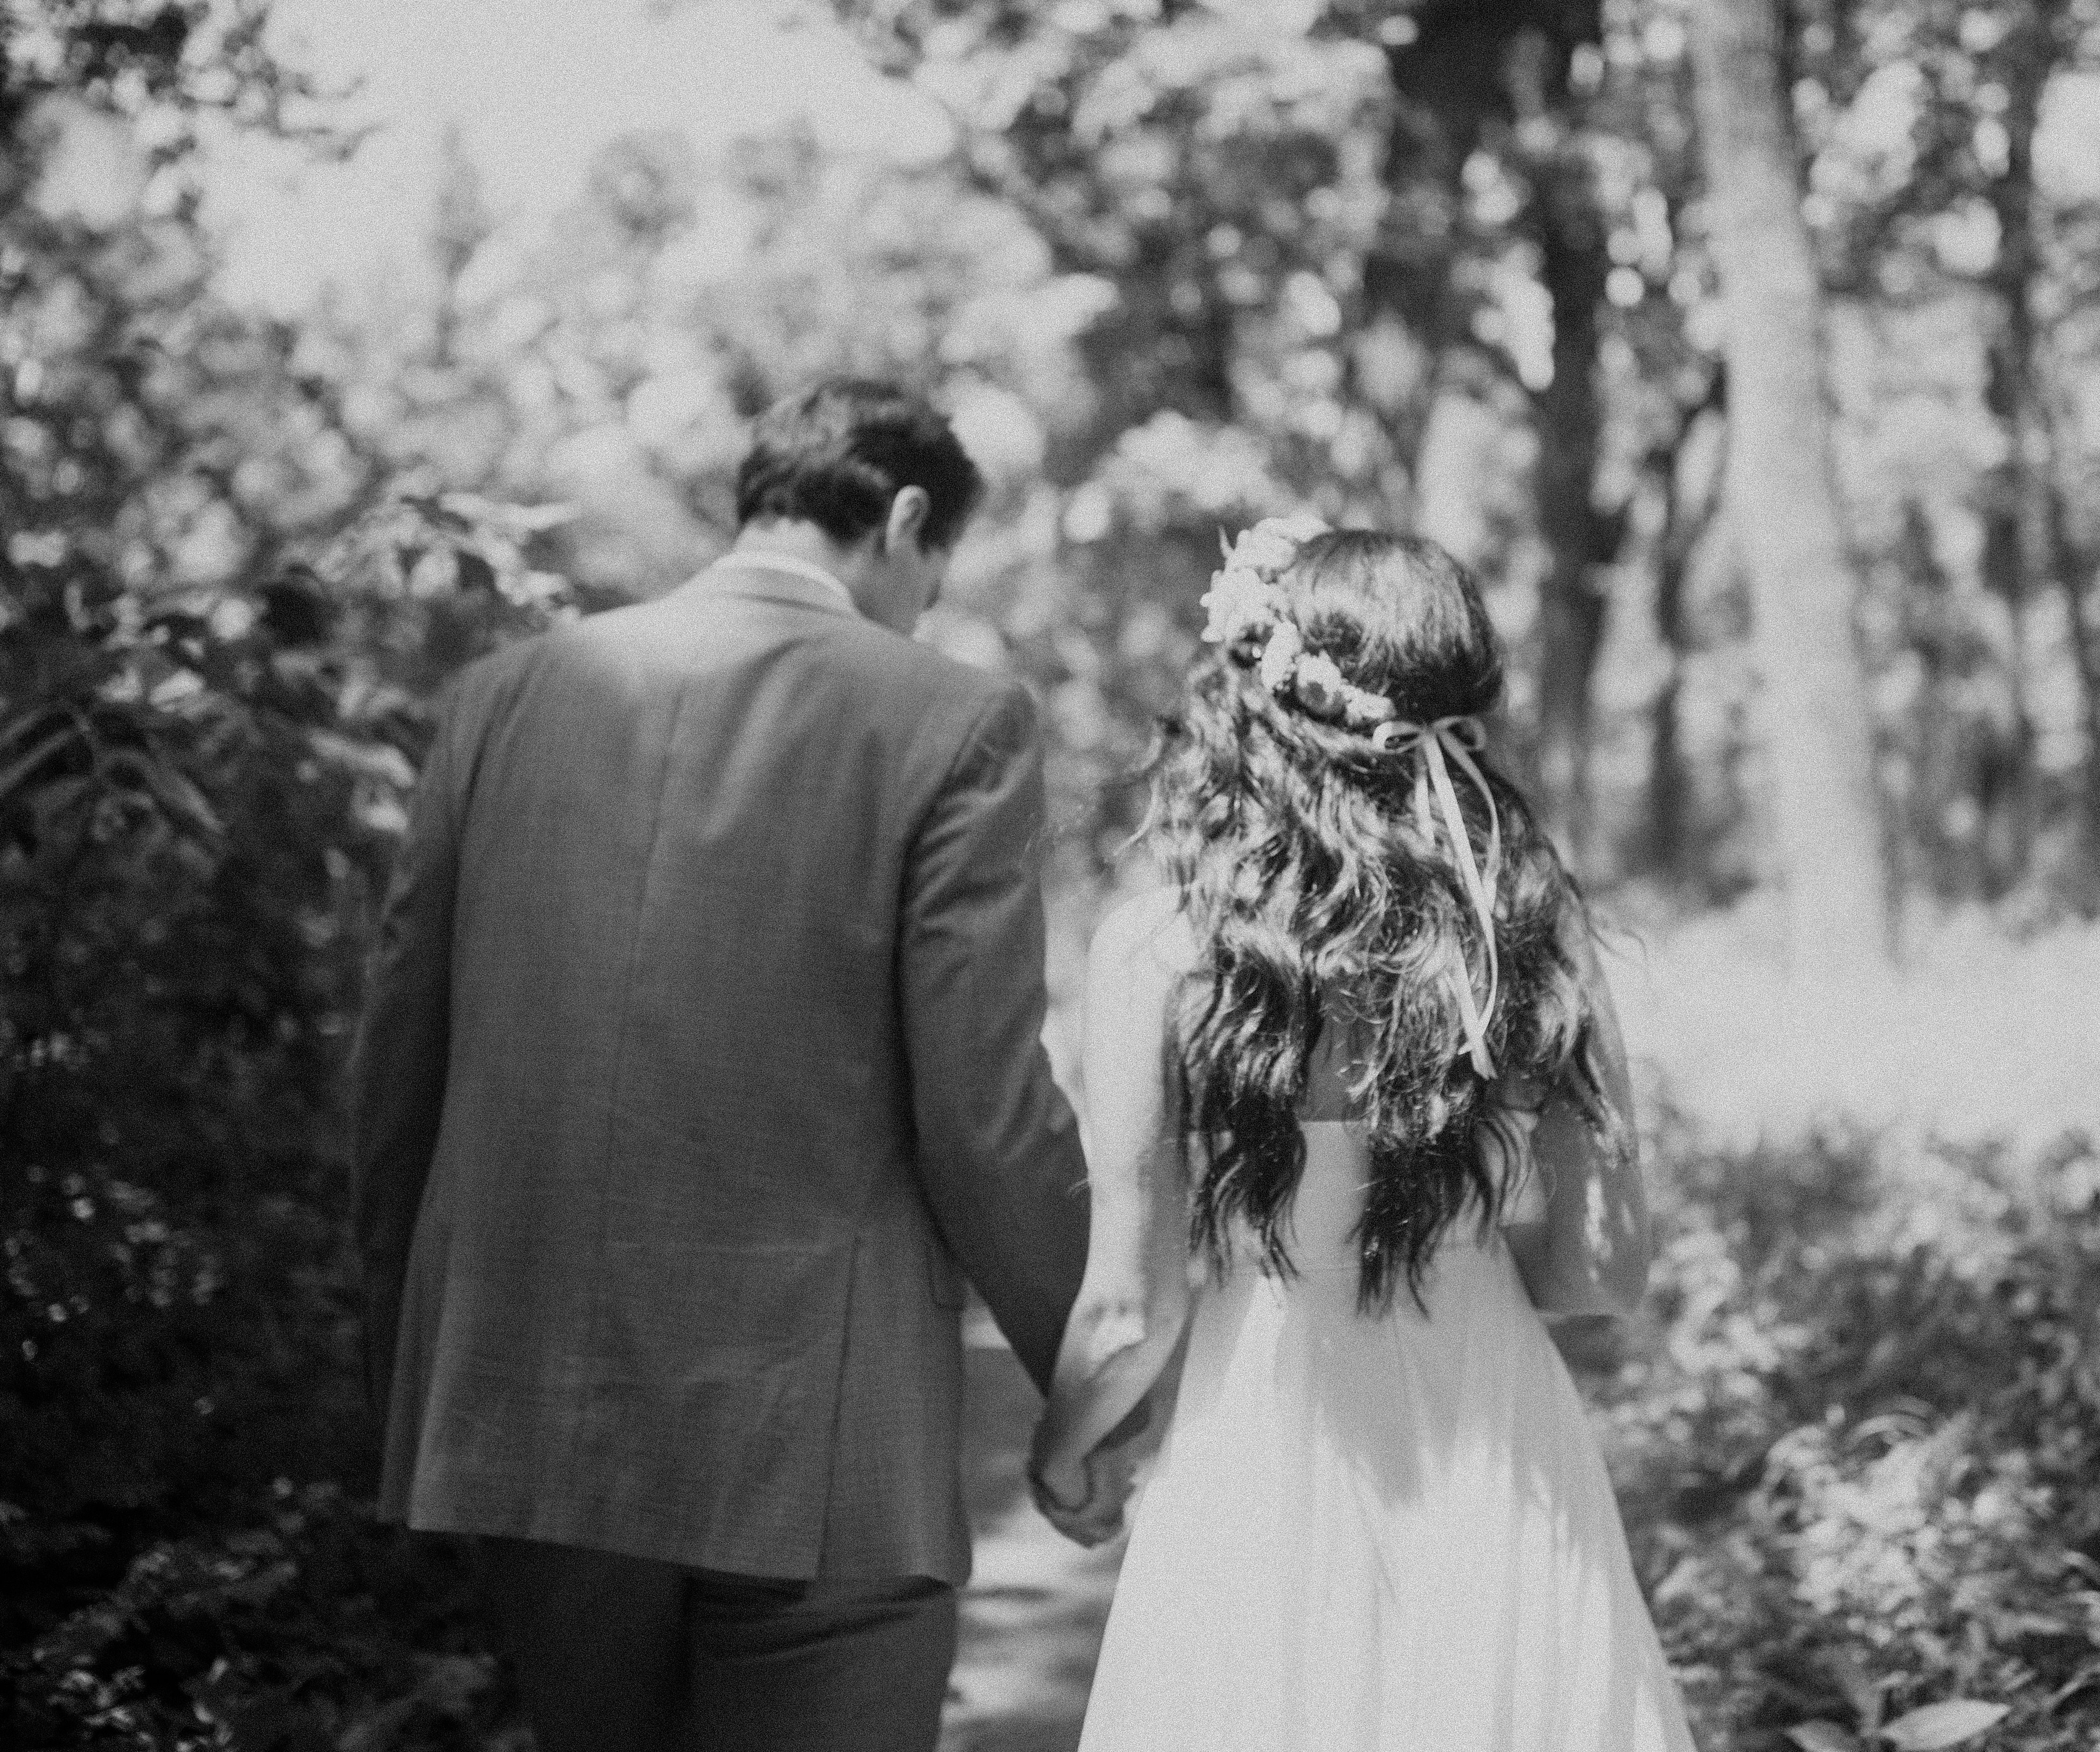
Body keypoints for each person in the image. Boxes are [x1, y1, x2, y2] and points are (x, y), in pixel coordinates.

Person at [349, 377, 1092, 1752]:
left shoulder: (503, 698)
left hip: (526, 1417)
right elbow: (983, 1117)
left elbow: (399, 1073)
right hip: (820, 1442)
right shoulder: (950, 719)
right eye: (935, 573)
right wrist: (1091, 1372)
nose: (926, 608)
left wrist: (411, 1377)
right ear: (906, 519)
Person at [1031, 522, 1700, 1751]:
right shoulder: (1534, 941)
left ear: (1257, 698)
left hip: (1267, 1461)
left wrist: (1064, 1455)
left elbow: (1132, 1311)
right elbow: (1600, 1278)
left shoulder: (1161, 951)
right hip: (1501, 1461)